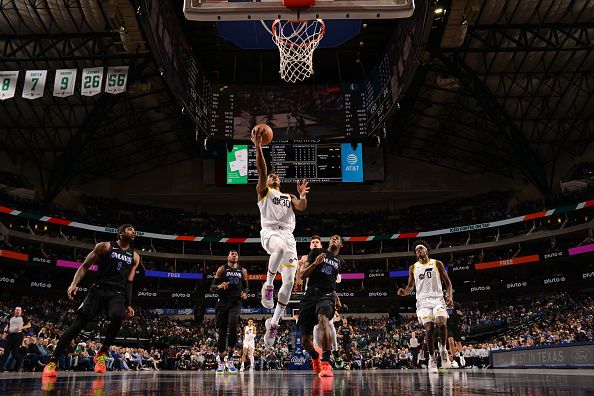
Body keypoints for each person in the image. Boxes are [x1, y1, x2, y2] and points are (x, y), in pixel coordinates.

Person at [43, 224, 140, 378]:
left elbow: (129, 282)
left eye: (134, 230)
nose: (133, 231)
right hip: (99, 290)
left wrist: (128, 304)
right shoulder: (105, 247)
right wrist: (74, 284)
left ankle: (101, 353)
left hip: (118, 293)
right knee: (77, 326)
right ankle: (52, 362)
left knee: (117, 316)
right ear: (120, 233)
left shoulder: (135, 256)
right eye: (129, 229)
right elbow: (85, 266)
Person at [252, 128, 310, 346]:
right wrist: (258, 146)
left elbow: (302, 207)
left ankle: (273, 324)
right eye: (270, 176)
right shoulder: (263, 192)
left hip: (289, 236)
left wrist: (302, 195)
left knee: (288, 285)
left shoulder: (288, 196)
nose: (272, 176)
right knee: (279, 250)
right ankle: (267, 285)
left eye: (275, 176)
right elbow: (261, 169)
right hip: (271, 232)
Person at [397, 240, 453, 372]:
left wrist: (449, 296)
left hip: (437, 299)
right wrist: (404, 292)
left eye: (421, 248)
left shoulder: (436, 263)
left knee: (442, 323)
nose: (418, 251)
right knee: (429, 330)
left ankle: (444, 351)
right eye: (416, 250)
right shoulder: (413, 267)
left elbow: (448, 283)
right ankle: (432, 358)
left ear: (427, 250)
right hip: (422, 302)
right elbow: (410, 286)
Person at [298, 235, 344, 377]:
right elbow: (302, 275)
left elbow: (330, 282)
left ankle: (326, 362)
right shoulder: (317, 252)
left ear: (341, 244)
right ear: (329, 242)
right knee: (306, 340)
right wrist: (315, 264)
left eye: (338, 238)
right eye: (332, 237)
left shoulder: (339, 262)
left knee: (324, 319)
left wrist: (336, 297)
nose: (335, 238)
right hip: (310, 295)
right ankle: (314, 356)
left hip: (326, 296)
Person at [211, 250, 248, 374]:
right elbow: (212, 288)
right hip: (222, 302)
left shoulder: (243, 271)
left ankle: (230, 358)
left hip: (236, 303)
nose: (234, 255)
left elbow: (246, 287)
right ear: (228, 256)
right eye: (232, 254)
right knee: (222, 331)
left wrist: (245, 293)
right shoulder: (222, 269)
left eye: (236, 254)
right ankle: (221, 361)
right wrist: (220, 286)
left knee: (233, 326)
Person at [0, 307, 31, 372]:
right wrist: (6, 328)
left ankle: (20, 363)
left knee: (15, 353)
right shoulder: (11, 316)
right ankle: (1, 368)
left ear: (21, 311)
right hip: (10, 335)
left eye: (19, 310)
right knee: (6, 352)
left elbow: (29, 325)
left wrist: (22, 327)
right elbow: (9, 324)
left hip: (18, 336)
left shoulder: (23, 317)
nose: (18, 311)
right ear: (14, 311)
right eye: (17, 310)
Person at [447, 303, 464, 368]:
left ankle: (461, 355)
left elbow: (462, 316)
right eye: (445, 294)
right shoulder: (442, 305)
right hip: (448, 327)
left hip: (456, 325)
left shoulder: (456, 305)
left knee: (457, 342)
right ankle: (454, 359)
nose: (447, 296)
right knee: (451, 342)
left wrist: (461, 314)